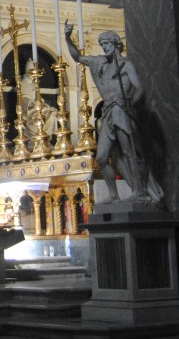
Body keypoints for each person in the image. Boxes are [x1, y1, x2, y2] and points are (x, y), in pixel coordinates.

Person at [64, 24, 163, 206]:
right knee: (102, 157)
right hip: (108, 111)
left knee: (128, 151)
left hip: (121, 110)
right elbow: (77, 57)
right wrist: (67, 37)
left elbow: (139, 87)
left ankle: (139, 191)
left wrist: (130, 103)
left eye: (107, 43)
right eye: (102, 44)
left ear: (116, 44)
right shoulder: (100, 64)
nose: (104, 47)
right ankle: (114, 195)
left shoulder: (126, 65)